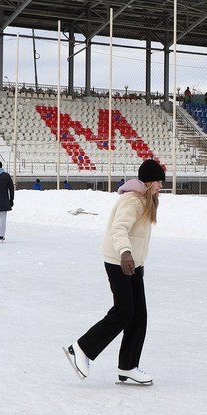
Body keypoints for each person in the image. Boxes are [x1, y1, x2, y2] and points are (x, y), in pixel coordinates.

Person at [63, 158, 166, 385]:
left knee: (139, 316)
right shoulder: (133, 201)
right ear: (149, 181)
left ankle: (128, 366)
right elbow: (119, 229)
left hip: (132, 264)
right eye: (159, 181)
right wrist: (126, 253)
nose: (161, 185)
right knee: (124, 312)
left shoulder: (145, 200)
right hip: (119, 261)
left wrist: (134, 258)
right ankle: (80, 348)